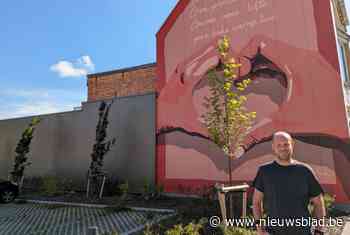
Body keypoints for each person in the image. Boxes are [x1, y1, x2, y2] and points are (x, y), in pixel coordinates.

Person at [252, 131, 326, 235]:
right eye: (279, 145)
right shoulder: (264, 171)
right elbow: (256, 203)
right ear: (273, 147)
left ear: (292, 144)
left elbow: (318, 203)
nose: (283, 148)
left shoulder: (305, 171)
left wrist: (319, 230)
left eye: (286, 144)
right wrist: (261, 230)